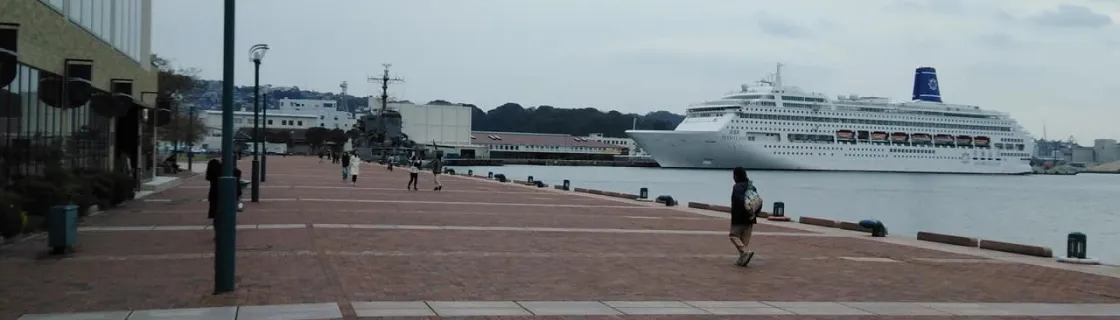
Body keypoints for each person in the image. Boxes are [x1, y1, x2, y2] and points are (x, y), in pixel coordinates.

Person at [729, 166, 761, 267]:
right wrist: (754, 214)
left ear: (736, 176)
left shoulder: (737, 187)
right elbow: (758, 202)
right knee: (743, 241)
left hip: (739, 218)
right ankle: (742, 259)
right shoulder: (751, 186)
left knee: (733, 236)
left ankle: (745, 253)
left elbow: (740, 202)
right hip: (751, 219)